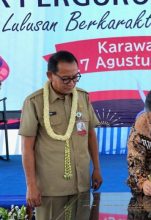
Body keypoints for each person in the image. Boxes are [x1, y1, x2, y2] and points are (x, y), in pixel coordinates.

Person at [19, 51, 103, 218]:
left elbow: (90, 135)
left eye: (75, 77)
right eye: (66, 78)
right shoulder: (35, 102)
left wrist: (97, 168)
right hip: (51, 188)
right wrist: (31, 185)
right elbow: (27, 147)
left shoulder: (83, 97)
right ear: (50, 75)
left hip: (82, 184)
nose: (71, 83)